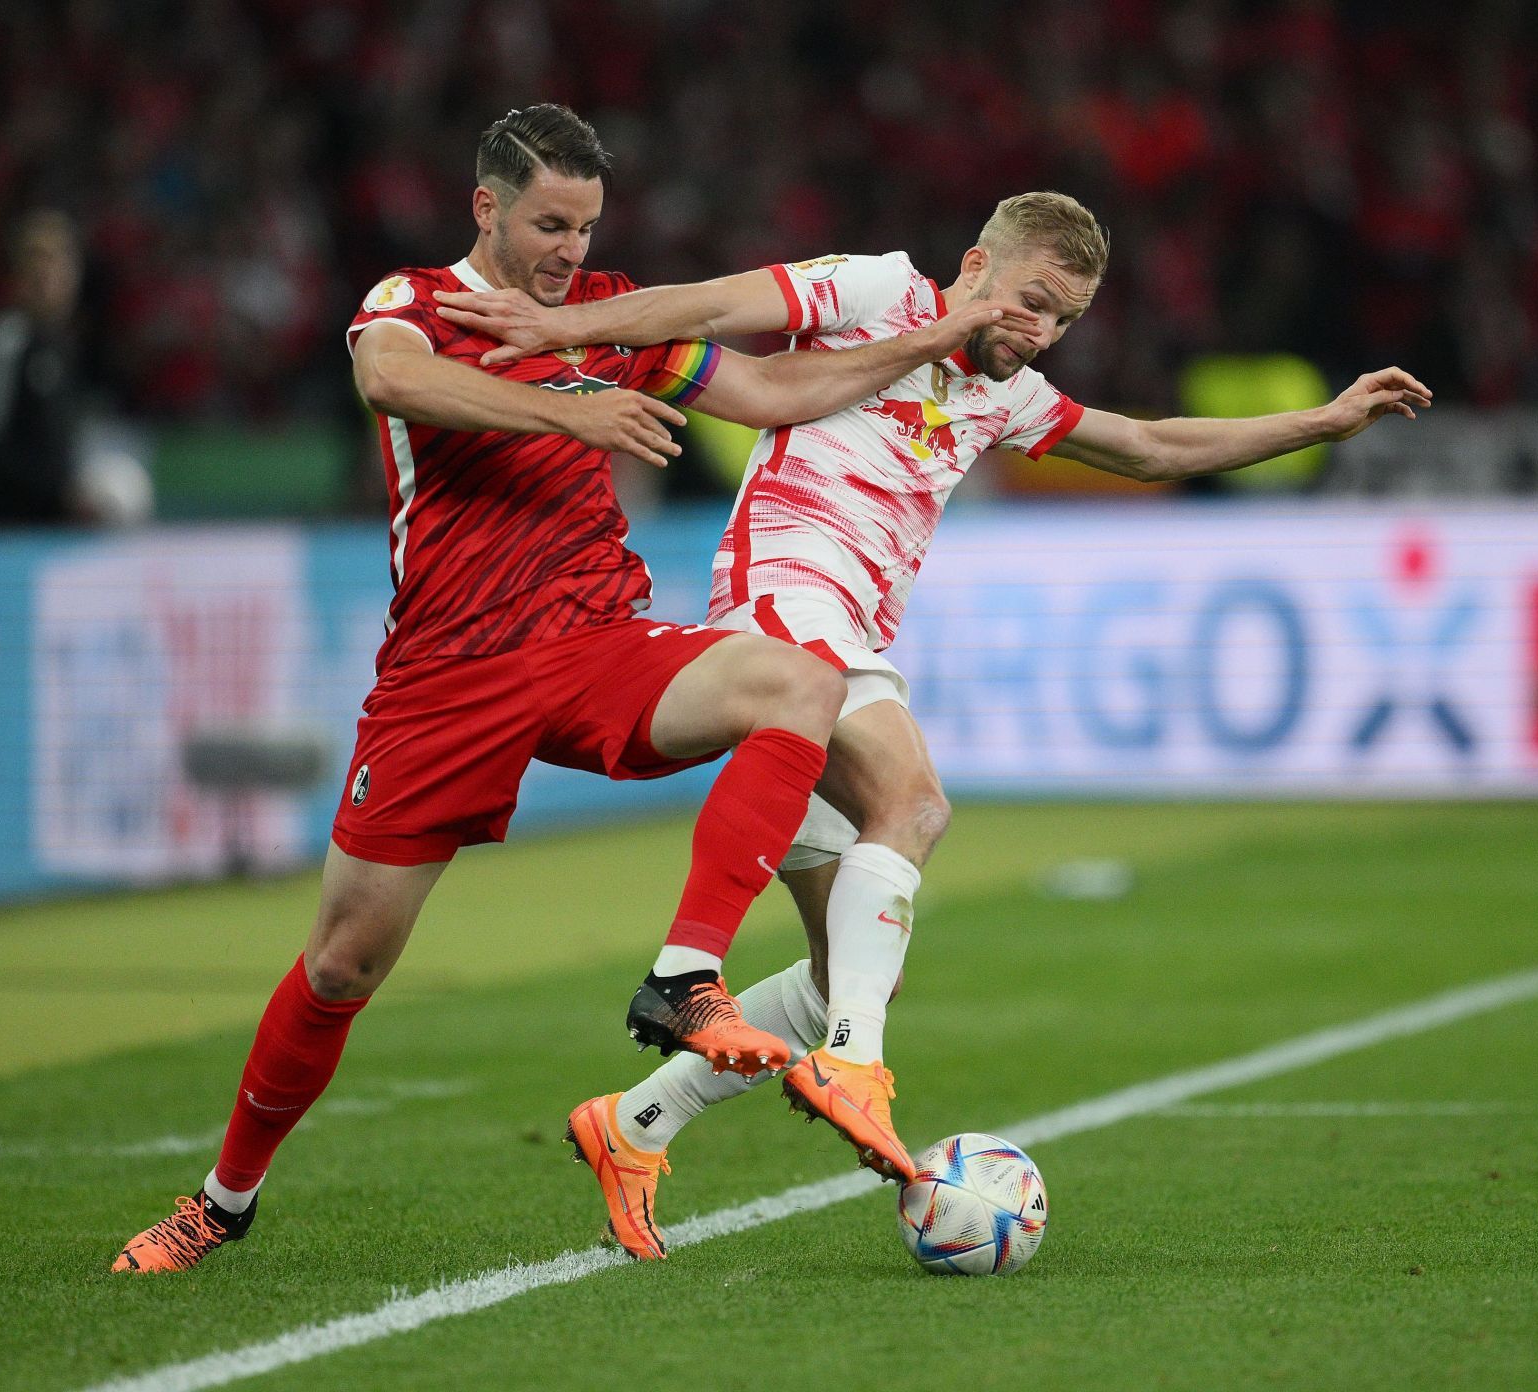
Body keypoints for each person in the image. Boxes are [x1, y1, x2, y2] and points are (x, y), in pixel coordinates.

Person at [109, 105, 1021, 1273]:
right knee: (343, 964)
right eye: (549, 223)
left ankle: (687, 975)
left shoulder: (611, 317)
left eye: (585, 228)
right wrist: (568, 402)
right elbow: (395, 388)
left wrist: (931, 336)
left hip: (598, 643)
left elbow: (779, 395)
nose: (569, 252)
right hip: (447, 678)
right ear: (486, 206)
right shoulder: (412, 305)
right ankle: (221, 1204)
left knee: (801, 680)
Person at [435, 190, 1432, 1259]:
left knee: (844, 967)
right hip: (787, 596)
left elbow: (1149, 445)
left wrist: (1323, 423)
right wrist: (561, 325)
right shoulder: (879, 292)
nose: (1041, 333)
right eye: (1035, 303)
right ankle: (853, 1063)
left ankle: (635, 1124)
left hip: (843, 624)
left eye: (1064, 321)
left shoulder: (1006, 396)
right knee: (913, 805)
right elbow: (712, 305)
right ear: (979, 264)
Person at [0, 210, 87, 524]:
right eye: (36, 258)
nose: (46, 271)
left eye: (58, 259)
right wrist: (59, 495)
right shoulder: (5, 342)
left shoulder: (64, 346)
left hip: (52, 529)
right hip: (9, 532)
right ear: (17, 274)